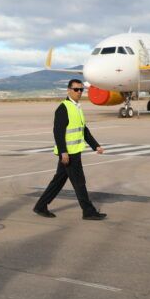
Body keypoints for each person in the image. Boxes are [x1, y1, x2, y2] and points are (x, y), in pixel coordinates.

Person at [33, 79, 107, 220]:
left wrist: (95, 145)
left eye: (81, 90)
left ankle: (40, 206)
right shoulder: (63, 108)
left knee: (58, 181)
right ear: (68, 90)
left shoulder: (77, 107)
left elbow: (83, 130)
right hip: (69, 153)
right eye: (76, 89)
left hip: (74, 151)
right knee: (79, 183)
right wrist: (63, 152)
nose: (79, 92)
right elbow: (58, 132)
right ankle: (88, 211)